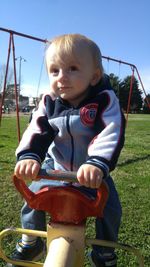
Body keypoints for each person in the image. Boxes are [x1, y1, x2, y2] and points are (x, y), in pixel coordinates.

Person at [11, 34, 126, 267]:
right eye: (54, 71)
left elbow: (111, 130)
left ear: (94, 76)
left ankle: (104, 252)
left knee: (110, 207)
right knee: (32, 196)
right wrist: (30, 156)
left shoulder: (104, 100)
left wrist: (96, 163)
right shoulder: (49, 102)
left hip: (91, 175)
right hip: (57, 170)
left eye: (72, 68)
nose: (62, 77)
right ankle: (31, 241)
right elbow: (37, 129)